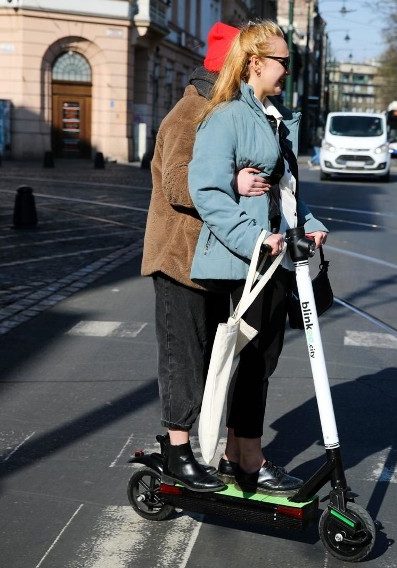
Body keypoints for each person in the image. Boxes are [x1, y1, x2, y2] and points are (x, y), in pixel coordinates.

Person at [188, 20, 329, 494]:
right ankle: (247, 457)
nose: (289, 70)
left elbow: (283, 188)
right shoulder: (227, 116)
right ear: (254, 63)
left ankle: (240, 451)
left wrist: (308, 221)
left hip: (277, 256)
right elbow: (206, 190)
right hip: (243, 260)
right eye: (283, 61)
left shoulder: (273, 115)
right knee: (250, 360)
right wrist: (255, 238)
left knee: (262, 359)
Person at [140, 22, 271, 493]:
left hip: (214, 261)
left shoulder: (228, 110)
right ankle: (177, 452)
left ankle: (214, 448)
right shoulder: (190, 113)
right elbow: (176, 183)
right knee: (184, 359)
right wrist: (232, 182)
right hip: (178, 260)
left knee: (213, 359)